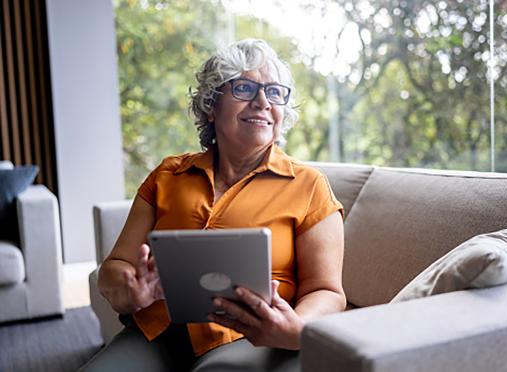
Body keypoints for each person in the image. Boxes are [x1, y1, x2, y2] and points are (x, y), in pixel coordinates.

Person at [81, 38, 345, 371]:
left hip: (249, 336)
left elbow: (327, 291)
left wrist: (295, 328)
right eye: (245, 88)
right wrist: (130, 292)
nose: (262, 101)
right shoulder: (167, 175)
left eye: (274, 92)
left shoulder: (309, 185)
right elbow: (114, 267)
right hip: (156, 333)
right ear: (211, 104)